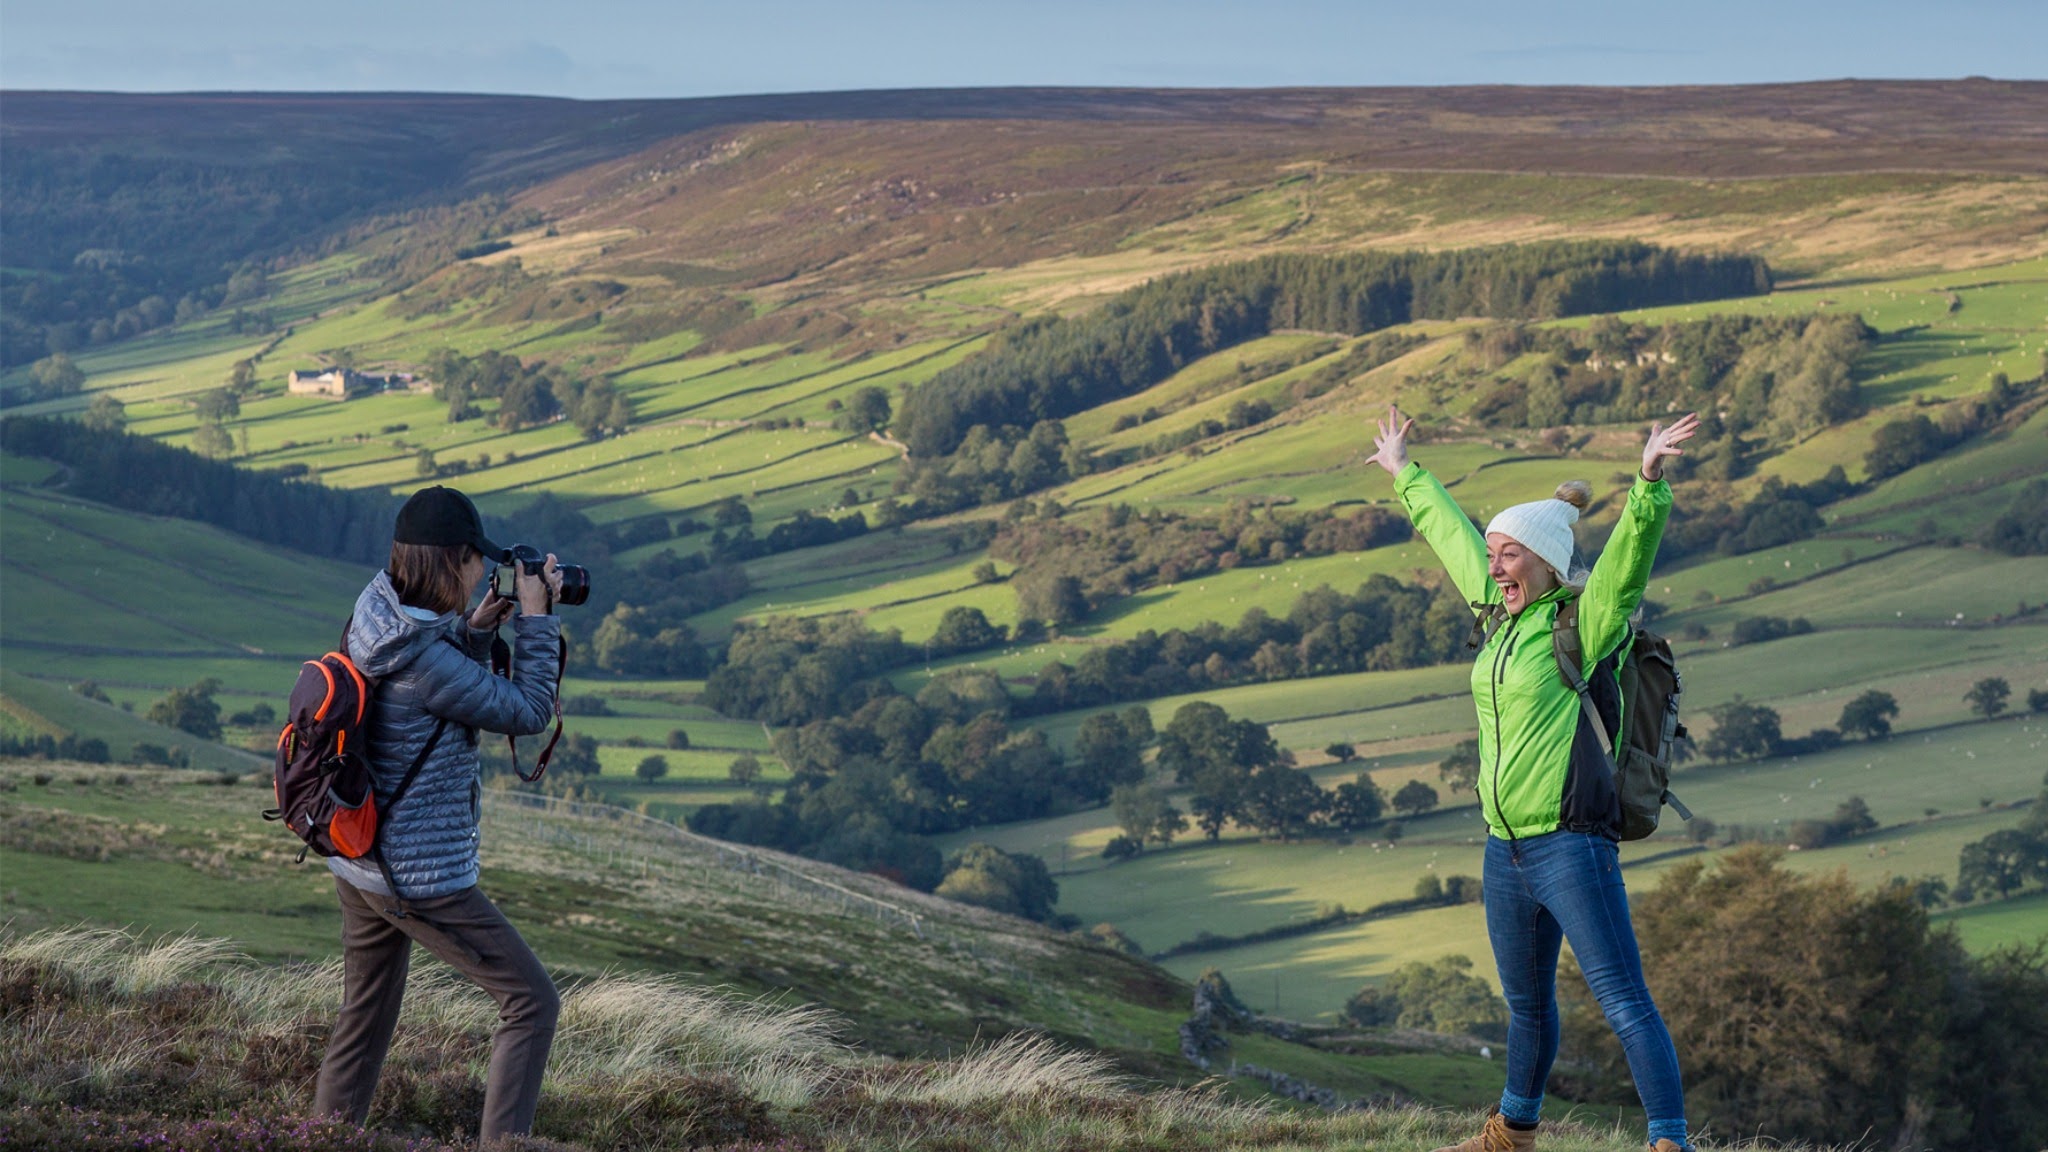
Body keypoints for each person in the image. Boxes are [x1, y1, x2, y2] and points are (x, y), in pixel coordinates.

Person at [1368, 406, 1701, 1152]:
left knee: (1622, 1002)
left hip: (1572, 847)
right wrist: (1405, 473)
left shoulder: (1586, 622)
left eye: (1509, 554)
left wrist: (1647, 482)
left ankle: (1669, 1142)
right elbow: (1453, 541)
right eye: (1494, 554)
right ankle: (1511, 1136)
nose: (1494, 567)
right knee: (1526, 1006)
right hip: (1505, 851)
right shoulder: (1498, 619)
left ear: (1545, 562)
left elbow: (1628, 560)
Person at [313, 485, 565, 1142]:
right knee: (531, 1004)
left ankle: (318, 1139)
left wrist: (474, 634)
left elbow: (426, 689)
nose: (485, 570)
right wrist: (536, 621)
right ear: (454, 560)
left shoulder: (377, 615)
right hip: (417, 876)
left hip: (358, 860)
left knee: (362, 1022)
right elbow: (529, 711)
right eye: (476, 558)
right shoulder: (423, 659)